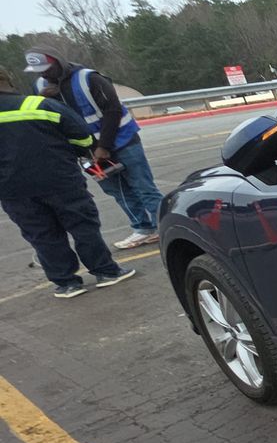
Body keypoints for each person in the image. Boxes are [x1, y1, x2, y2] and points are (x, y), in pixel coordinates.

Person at [0, 67, 136, 299]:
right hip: (59, 179)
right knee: (83, 226)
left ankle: (66, 283)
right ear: (8, 79)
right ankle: (105, 271)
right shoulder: (40, 105)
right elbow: (83, 138)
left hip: (12, 189)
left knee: (42, 234)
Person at [24, 46, 164, 248]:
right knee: (117, 191)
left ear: (59, 62)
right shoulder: (40, 86)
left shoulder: (88, 78)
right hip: (86, 151)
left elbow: (113, 110)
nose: (44, 73)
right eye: (39, 71)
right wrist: (45, 99)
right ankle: (144, 228)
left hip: (122, 141)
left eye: (47, 68)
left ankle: (167, 225)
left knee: (143, 187)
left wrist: (104, 146)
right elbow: (48, 118)